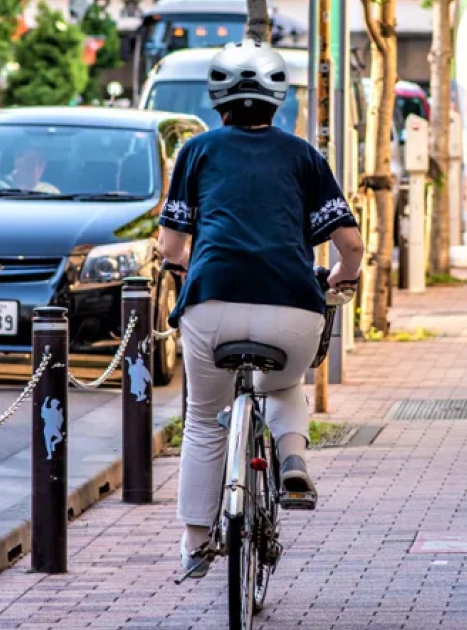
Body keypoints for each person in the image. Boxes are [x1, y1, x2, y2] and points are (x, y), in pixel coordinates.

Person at [156, 41, 365, 577]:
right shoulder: (303, 156)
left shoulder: (197, 152)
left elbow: (170, 248)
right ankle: (292, 457)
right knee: (284, 386)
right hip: (293, 308)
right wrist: (342, 278)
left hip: (212, 305)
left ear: (218, 99)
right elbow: (352, 245)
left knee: (204, 419)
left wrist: (187, 265)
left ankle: (194, 543)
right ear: (278, 99)